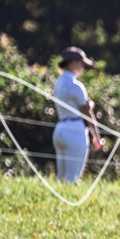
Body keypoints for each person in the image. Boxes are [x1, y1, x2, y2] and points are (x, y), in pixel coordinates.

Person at [52, 46, 103, 183]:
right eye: (81, 64)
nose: (83, 68)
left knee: (61, 178)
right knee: (73, 178)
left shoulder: (58, 83)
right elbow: (86, 111)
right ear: (73, 62)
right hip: (74, 131)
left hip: (60, 129)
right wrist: (96, 135)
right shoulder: (76, 85)